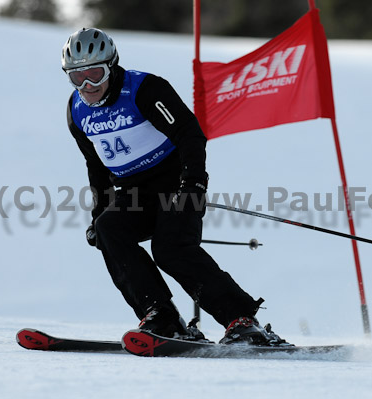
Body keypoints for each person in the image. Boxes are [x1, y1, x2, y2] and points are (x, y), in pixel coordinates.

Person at [61, 27, 287, 346]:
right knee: (108, 229)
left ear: (111, 66)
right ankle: (162, 317)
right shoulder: (76, 111)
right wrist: (98, 213)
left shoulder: (144, 89)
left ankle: (242, 320)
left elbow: (189, 133)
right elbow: (95, 165)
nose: (87, 85)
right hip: (133, 192)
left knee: (170, 249)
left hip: (175, 182)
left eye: (95, 74)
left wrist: (194, 183)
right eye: (76, 77)